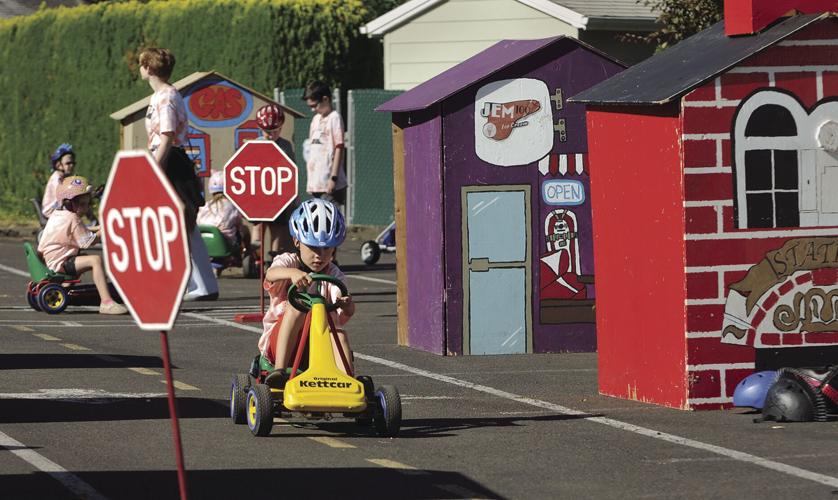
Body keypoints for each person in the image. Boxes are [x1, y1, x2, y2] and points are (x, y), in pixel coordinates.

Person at [138, 46, 218, 301]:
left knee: (177, 223)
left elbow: (167, 135)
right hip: (167, 157)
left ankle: (190, 284)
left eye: (141, 64)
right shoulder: (160, 96)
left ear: (148, 68)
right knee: (185, 224)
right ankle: (203, 285)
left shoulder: (166, 96)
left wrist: (154, 167)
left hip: (169, 160)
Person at [257, 198, 355, 376]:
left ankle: (347, 380)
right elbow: (271, 274)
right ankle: (279, 372)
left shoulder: (333, 273)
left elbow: (340, 296)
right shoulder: (289, 261)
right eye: (313, 247)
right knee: (297, 309)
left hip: (316, 345)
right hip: (278, 346)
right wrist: (291, 273)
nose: (320, 255)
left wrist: (347, 304)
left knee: (338, 332)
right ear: (296, 242)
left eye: (327, 249)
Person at [37, 176, 127, 315]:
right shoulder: (73, 218)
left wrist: (96, 228)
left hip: (50, 260)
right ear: (71, 203)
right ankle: (106, 302)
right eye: (83, 204)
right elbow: (87, 242)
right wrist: (104, 230)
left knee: (82, 258)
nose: (87, 208)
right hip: (59, 263)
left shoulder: (59, 214)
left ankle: (66, 289)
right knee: (95, 260)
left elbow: (76, 231)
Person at [255, 103, 299, 256]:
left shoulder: (285, 146)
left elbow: (291, 170)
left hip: (278, 196)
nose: (271, 135)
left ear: (280, 129)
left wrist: (292, 195)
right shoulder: (256, 145)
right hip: (259, 195)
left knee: (277, 227)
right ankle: (256, 253)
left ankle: (273, 256)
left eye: (275, 131)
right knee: (258, 224)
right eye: (267, 132)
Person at [302, 81, 347, 209]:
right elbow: (313, 151)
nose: (313, 109)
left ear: (325, 99)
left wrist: (333, 178)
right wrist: (311, 183)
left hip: (329, 185)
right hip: (316, 184)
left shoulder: (334, 118)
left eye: (315, 105)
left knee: (331, 222)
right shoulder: (316, 119)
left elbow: (339, 148)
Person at [196, 170, 250, 250]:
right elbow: (239, 223)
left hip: (204, 243)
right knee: (244, 229)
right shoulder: (232, 206)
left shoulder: (204, 206)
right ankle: (246, 252)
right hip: (225, 245)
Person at [41, 143, 76, 218]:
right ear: (58, 165)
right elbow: (63, 195)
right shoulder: (56, 178)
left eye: (73, 163)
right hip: (51, 212)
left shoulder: (64, 177)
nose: (72, 166)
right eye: (68, 163)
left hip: (59, 208)